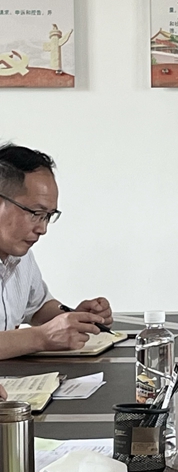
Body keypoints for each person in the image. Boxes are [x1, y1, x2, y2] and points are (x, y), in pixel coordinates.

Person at [0, 143, 112, 360]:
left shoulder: (21, 257)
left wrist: (77, 318)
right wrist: (41, 338)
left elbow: (38, 307)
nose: (42, 229)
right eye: (35, 213)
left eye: (48, 216)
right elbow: (40, 334)